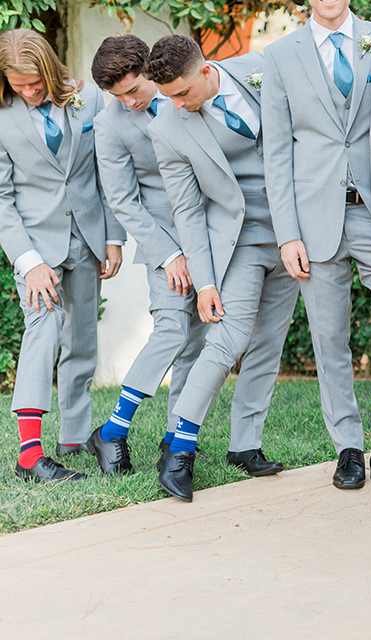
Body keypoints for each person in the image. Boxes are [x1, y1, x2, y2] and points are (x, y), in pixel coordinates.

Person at [262, 0, 371, 492]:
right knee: (329, 338)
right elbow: (276, 151)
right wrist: (287, 233)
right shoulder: (279, 56)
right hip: (312, 219)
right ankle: (347, 447)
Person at [146, 35, 299, 502]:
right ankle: (180, 448)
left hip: (297, 233)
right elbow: (188, 210)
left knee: (269, 342)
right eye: (166, 96)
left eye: (181, 93)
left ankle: (245, 445)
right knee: (228, 338)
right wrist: (206, 281)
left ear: (206, 70)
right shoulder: (167, 128)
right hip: (241, 241)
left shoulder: (262, 67)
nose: (174, 104)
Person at [0, 29, 124, 482]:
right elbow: (1, 197)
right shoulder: (1, 117)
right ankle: (30, 455)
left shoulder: (87, 100)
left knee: (83, 341)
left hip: (87, 237)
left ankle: (72, 437)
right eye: (18, 85)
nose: (29, 92)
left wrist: (113, 237)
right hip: (35, 246)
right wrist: (29, 262)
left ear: (50, 70)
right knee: (44, 325)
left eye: (35, 82)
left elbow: (104, 170)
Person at [89, 34, 206, 475]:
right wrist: (168, 254)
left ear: (149, 72)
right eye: (118, 97)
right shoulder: (110, 124)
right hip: (163, 244)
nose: (129, 102)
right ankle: (113, 431)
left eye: (134, 90)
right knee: (173, 331)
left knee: (199, 340)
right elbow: (123, 201)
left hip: (211, 238)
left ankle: (176, 438)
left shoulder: (187, 94)